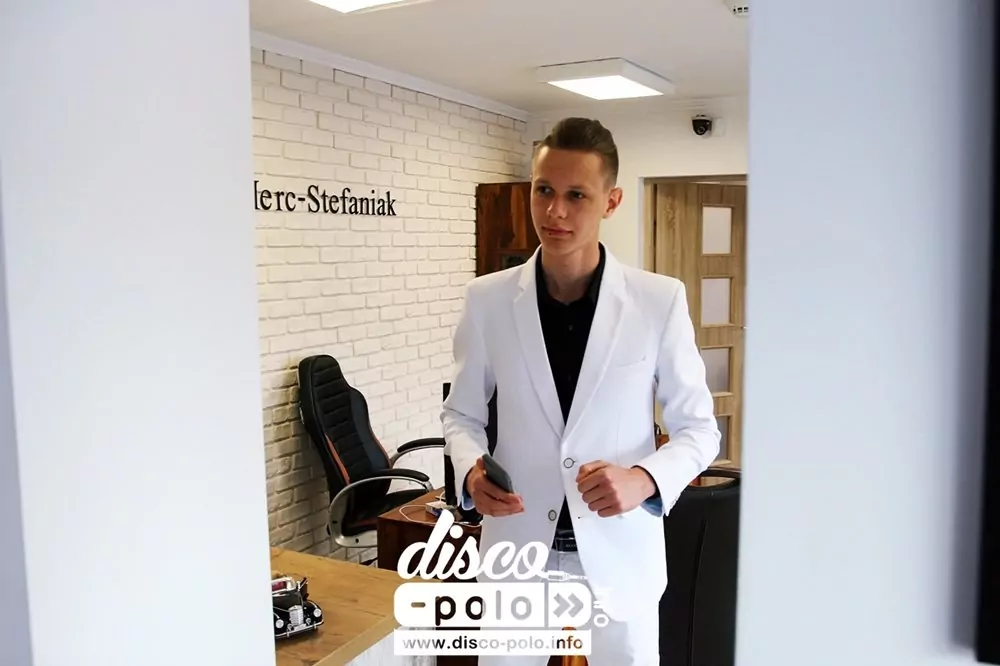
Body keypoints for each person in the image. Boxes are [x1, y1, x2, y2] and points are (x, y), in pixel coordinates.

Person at [441, 117, 720, 665]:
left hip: (621, 550)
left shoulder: (657, 301)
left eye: (576, 195)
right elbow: (461, 414)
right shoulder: (487, 300)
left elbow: (699, 430)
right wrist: (472, 472)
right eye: (544, 190)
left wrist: (645, 479)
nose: (555, 212)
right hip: (518, 548)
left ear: (611, 202)